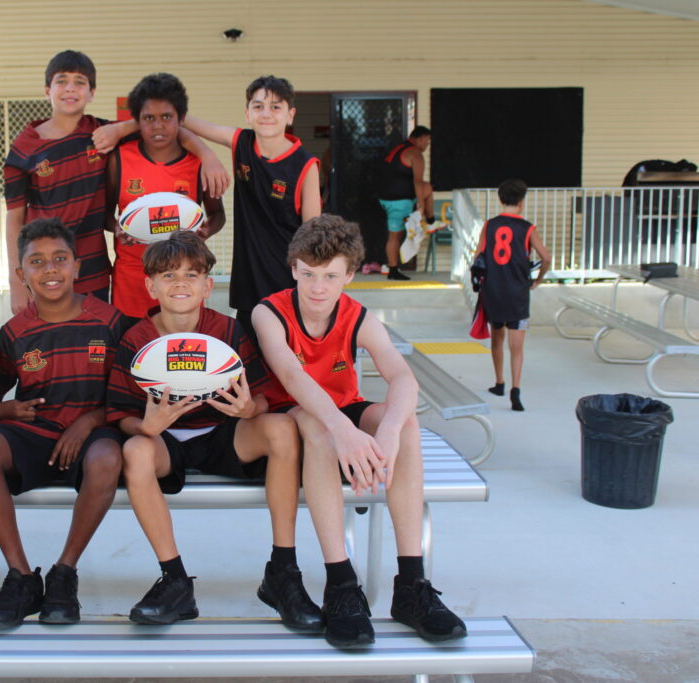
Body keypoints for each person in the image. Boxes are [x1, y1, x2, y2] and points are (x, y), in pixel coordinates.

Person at [252, 215, 467, 649]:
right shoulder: (268, 312)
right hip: (291, 420)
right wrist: (343, 431)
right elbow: (292, 377)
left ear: (349, 275)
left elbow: (403, 378)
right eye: (308, 274)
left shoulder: (358, 317)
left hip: (342, 412)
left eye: (330, 276)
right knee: (320, 427)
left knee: (406, 422)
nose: (318, 288)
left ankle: (411, 585)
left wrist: (388, 433)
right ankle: (341, 584)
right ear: (293, 269)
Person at [107, 232, 321, 630]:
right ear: (150, 286)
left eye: (191, 275)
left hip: (223, 433)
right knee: (135, 449)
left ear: (208, 285)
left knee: (281, 428)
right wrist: (145, 425)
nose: (180, 283)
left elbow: (263, 396)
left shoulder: (228, 331)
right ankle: (174, 580)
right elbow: (119, 412)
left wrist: (249, 409)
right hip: (165, 441)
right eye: (168, 275)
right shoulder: (136, 338)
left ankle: (283, 571)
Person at [0, 218, 133, 629]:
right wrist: (4, 411)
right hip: (37, 430)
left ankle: (64, 573)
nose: (50, 269)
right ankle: (21, 576)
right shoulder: (13, 333)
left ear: (77, 266)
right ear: (22, 274)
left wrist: (88, 422)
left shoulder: (110, 321)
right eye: (36, 262)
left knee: (108, 458)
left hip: (94, 431)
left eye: (60, 259)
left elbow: (128, 395)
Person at [5, 51, 229, 316]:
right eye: (61, 81)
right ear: (47, 90)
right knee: (47, 337)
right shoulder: (24, 148)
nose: (70, 88)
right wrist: (16, 281)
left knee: (96, 339)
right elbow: (14, 218)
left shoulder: (103, 135)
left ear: (92, 92)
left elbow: (165, 126)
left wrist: (207, 154)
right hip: (44, 270)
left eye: (79, 82)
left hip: (93, 269)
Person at [180, 75, 322, 338]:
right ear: (247, 114)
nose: (266, 113)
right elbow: (181, 120)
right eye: (258, 106)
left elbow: (313, 236)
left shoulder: (305, 164)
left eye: (275, 107)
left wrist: (311, 288)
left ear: (290, 115)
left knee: (282, 355)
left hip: (286, 284)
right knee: (246, 356)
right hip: (248, 280)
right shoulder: (242, 143)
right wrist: (207, 155)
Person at [106, 72, 225, 319]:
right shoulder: (120, 159)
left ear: (181, 119)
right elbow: (104, 213)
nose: (158, 125)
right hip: (132, 279)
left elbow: (218, 214)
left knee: (177, 342)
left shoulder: (198, 163)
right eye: (149, 118)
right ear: (138, 121)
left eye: (167, 117)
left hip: (181, 281)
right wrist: (117, 228)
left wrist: (204, 232)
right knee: (131, 342)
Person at [475, 179, 551, 411]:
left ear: (501, 199)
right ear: (521, 201)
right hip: (518, 292)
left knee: (497, 338)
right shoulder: (528, 228)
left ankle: (499, 382)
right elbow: (546, 257)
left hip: (494, 290)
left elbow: (478, 256)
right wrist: (538, 279)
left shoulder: (489, 225)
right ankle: (515, 389)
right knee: (516, 346)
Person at [378, 126, 434, 281]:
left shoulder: (398, 149)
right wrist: (421, 206)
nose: (427, 145)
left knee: (428, 187)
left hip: (385, 198)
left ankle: (430, 220)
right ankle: (393, 270)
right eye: (427, 141)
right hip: (399, 201)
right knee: (394, 236)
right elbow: (417, 182)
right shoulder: (415, 154)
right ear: (420, 138)